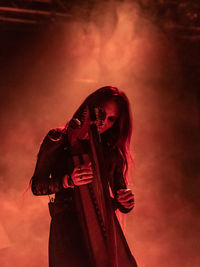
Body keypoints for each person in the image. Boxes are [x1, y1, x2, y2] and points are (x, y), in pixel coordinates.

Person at [31, 86, 137, 267]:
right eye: (102, 114)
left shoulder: (109, 149)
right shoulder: (57, 139)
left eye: (112, 119)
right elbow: (38, 186)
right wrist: (67, 181)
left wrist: (125, 200)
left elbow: (120, 192)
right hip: (66, 229)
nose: (104, 123)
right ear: (90, 109)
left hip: (103, 228)